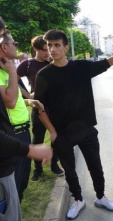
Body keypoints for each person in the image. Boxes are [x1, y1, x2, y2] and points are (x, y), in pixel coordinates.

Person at [34, 29, 113, 220]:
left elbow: (105, 63)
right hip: (62, 133)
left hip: (86, 129)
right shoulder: (44, 75)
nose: (53, 49)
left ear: (65, 47)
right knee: (70, 171)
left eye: (57, 45)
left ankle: (101, 197)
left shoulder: (80, 68)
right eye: (49, 45)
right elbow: (39, 108)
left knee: (95, 166)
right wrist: (53, 132)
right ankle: (78, 199)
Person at [0, 29, 44, 203]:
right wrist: (12, 71)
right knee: (12, 188)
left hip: (23, 131)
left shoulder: (5, 70)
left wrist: (28, 102)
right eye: (14, 44)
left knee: (22, 181)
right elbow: (10, 101)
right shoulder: (7, 71)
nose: (17, 47)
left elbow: (13, 100)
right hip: (11, 135)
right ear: (4, 47)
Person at [17, 35, 64, 181]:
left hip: (55, 107)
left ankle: (54, 164)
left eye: (49, 48)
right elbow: (13, 80)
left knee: (56, 137)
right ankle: (37, 169)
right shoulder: (27, 64)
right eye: (44, 49)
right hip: (38, 107)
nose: (48, 52)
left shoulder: (54, 62)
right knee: (37, 138)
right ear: (35, 49)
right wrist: (26, 94)